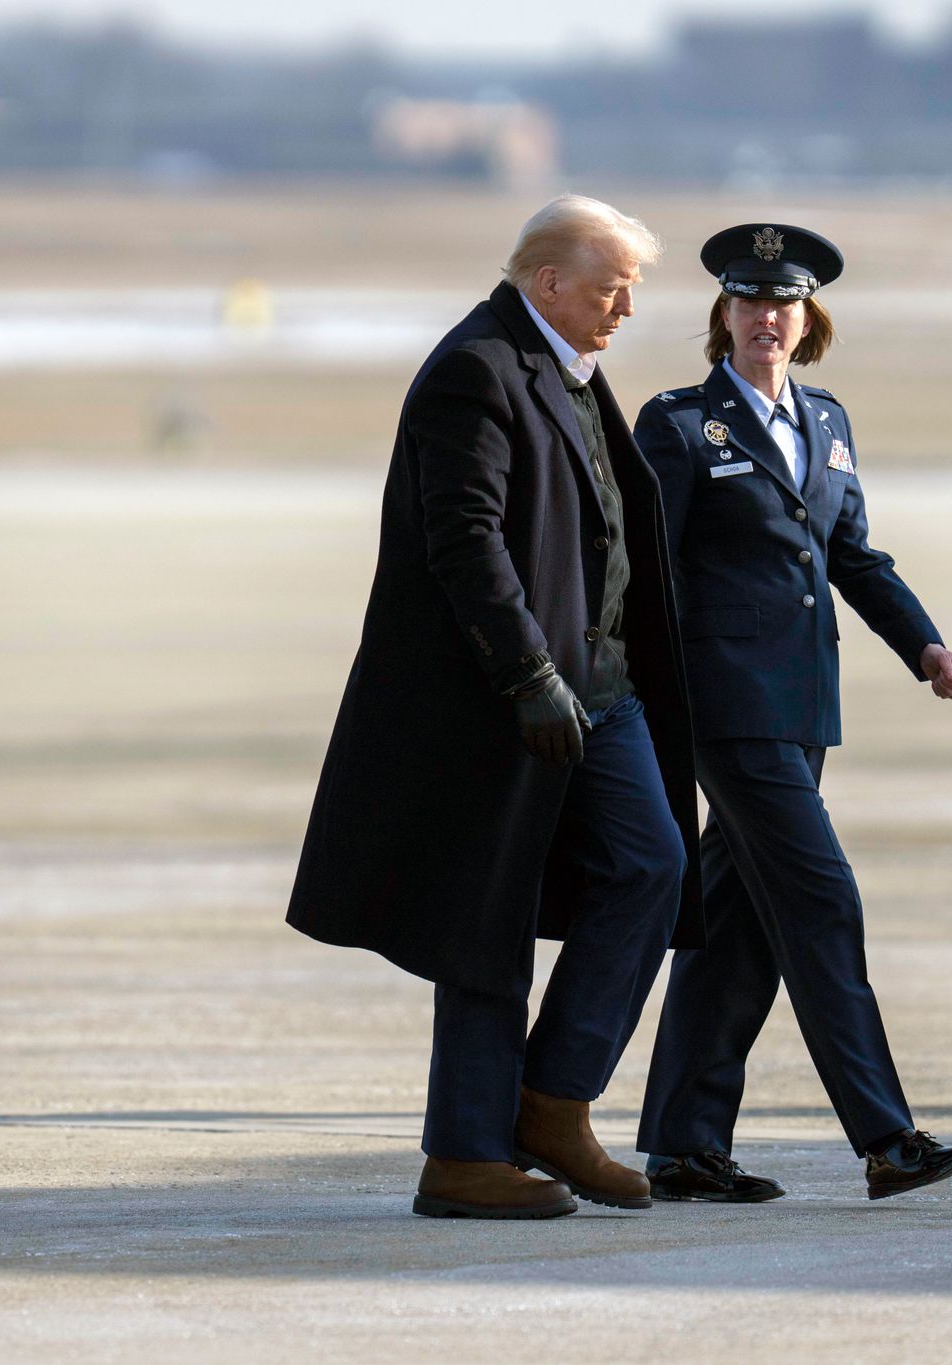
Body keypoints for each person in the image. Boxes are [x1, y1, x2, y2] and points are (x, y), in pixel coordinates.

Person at [288, 196, 701, 1220]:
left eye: (631, 291)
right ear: (546, 283)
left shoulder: (561, 367)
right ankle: (465, 1156)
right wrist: (524, 675)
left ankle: (551, 1104)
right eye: (611, 289)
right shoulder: (476, 369)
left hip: (600, 689)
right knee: (487, 918)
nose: (625, 309)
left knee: (651, 866)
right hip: (503, 698)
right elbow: (462, 539)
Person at [632, 223, 952, 1202]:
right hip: (723, 707)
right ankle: (884, 1139)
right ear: (722, 317)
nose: (764, 320)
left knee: (736, 925)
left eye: (781, 305)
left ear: (806, 318)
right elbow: (646, 570)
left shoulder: (825, 423)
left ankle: (685, 1149)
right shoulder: (678, 425)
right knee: (821, 901)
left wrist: (920, 643)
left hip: (802, 707)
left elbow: (850, 556)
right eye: (747, 303)